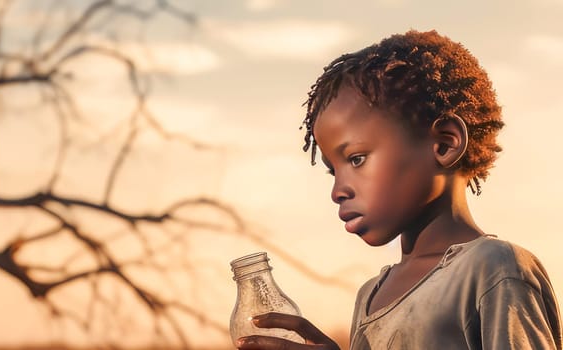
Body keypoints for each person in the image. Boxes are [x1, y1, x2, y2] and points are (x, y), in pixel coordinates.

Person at [236, 30, 562, 349]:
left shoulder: (494, 268)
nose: (338, 191)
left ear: (445, 144)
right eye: (333, 170)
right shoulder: (371, 294)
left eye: (357, 158)